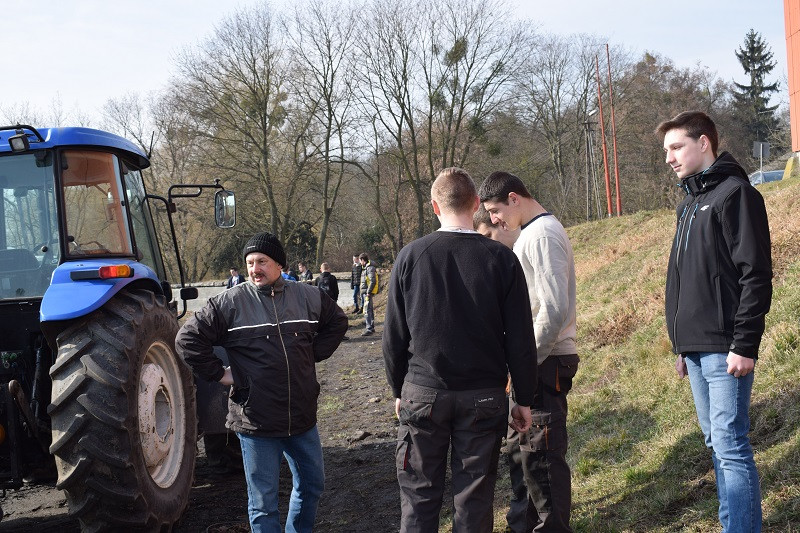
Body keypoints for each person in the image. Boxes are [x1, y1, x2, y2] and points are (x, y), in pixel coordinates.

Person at [383, 167, 538, 533]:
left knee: (419, 496)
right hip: (483, 398)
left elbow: (393, 336)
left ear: (434, 206)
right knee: (474, 496)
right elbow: (520, 336)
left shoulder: (410, 257)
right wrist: (524, 398)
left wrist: (397, 390)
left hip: (422, 392)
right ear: (475, 205)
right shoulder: (501, 258)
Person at [176, 232, 348, 533]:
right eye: (250, 262)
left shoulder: (306, 296)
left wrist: (313, 354)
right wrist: (220, 374)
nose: (255, 268)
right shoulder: (229, 303)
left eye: (262, 261)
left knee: (312, 486)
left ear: (279, 264)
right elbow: (187, 339)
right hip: (256, 422)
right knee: (263, 503)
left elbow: (337, 322)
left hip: (302, 418)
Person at [656, 111, 771, 533]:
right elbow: (685, 279)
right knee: (716, 444)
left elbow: (755, 274)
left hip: (726, 347)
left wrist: (744, 345)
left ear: (704, 143)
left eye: (676, 147)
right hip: (697, 348)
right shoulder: (688, 203)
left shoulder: (734, 194)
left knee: (730, 444)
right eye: (666, 150)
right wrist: (682, 346)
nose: (669, 158)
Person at [479, 171, 579, 533]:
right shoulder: (531, 233)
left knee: (542, 462)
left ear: (514, 198)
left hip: (544, 361)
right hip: (533, 363)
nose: (493, 219)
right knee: (524, 458)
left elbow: (552, 310)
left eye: (494, 210)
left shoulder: (542, 234)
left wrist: (523, 364)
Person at [359, 253, 377, 336]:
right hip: (366, 292)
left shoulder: (369, 268)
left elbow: (372, 281)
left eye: (360, 261)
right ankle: (371, 327)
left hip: (367, 293)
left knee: (367, 310)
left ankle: (369, 328)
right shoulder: (367, 268)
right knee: (369, 310)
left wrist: (368, 292)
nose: (359, 263)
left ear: (363, 260)